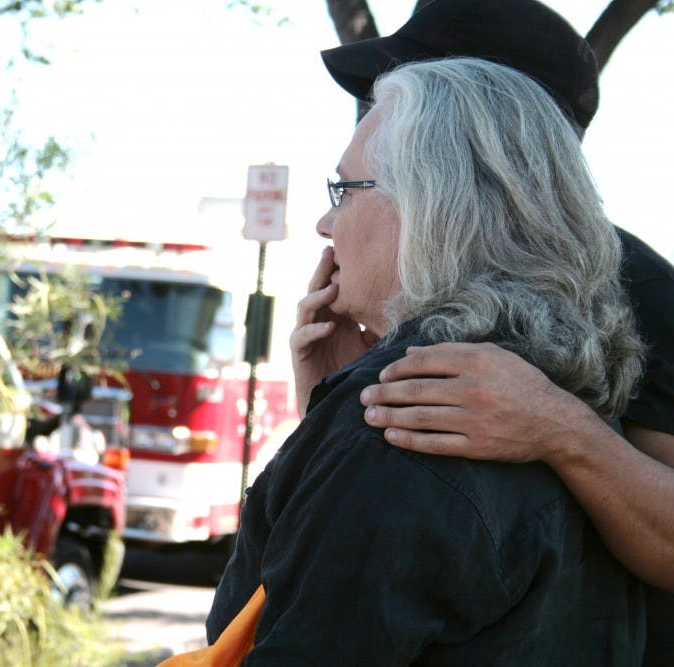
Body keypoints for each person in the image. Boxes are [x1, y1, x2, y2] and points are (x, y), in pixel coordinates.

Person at [195, 57, 645, 664]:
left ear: (433, 205)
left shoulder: (405, 416)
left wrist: (343, 428)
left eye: (344, 190)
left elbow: (260, 636)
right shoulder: (563, 388)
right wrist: (324, 413)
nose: (326, 223)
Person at [308, 1, 673, 663]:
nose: (388, 110)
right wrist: (331, 400)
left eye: (422, 93)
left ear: (485, 123)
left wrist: (559, 425)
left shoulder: (637, 284)